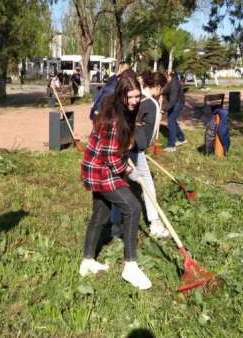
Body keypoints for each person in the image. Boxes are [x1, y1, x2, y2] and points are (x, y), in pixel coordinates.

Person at [80, 75, 152, 290]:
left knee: (101, 214)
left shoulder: (120, 110)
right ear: (121, 95)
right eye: (130, 97)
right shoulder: (114, 118)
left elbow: (115, 150)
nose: (134, 100)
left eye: (138, 96)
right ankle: (130, 267)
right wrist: (130, 170)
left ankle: (87, 261)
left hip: (99, 165)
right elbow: (111, 158)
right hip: (100, 170)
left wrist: (124, 156)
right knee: (133, 207)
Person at [130, 72, 170, 238]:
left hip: (132, 148)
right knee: (148, 185)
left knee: (120, 184)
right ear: (158, 87)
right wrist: (139, 145)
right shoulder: (147, 103)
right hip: (134, 150)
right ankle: (154, 224)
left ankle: (116, 224)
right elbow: (137, 126)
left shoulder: (141, 100)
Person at [162, 71, 187, 152]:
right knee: (172, 121)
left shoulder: (174, 84)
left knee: (171, 122)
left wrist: (164, 109)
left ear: (169, 77)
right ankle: (181, 138)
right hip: (174, 103)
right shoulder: (170, 82)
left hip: (178, 104)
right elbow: (165, 90)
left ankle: (171, 145)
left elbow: (172, 101)